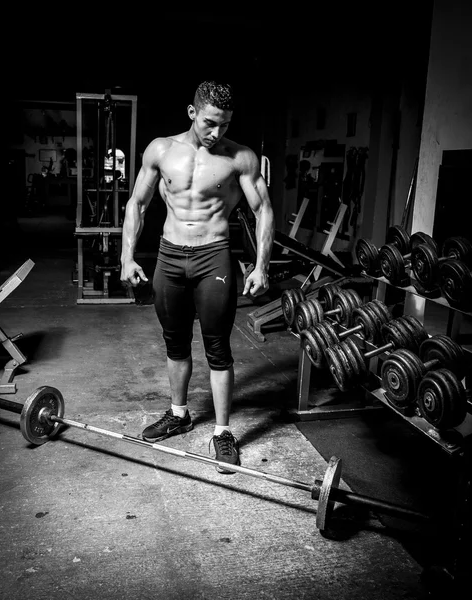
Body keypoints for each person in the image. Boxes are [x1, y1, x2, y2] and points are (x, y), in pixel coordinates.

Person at [120, 80, 275, 473]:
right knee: (175, 343)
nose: (216, 132)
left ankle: (223, 433)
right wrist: (126, 257)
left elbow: (264, 211)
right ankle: (179, 413)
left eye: (224, 125)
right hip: (169, 257)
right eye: (209, 123)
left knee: (218, 348)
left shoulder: (239, 158)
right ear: (192, 113)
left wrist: (261, 266)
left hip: (213, 258)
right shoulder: (160, 149)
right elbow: (137, 203)